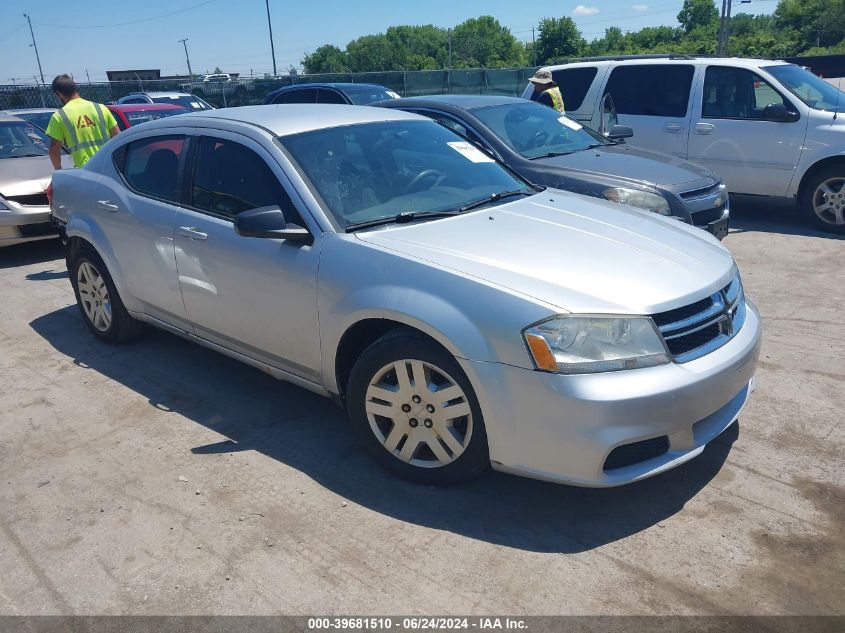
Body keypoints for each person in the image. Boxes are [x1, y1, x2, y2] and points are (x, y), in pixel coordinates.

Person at [45, 74, 119, 170]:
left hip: (85, 171)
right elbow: (117, 135)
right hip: (109, 166)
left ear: (59, 94)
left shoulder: (59, 116)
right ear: (75, 89)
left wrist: (59, 170)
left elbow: (54, 151)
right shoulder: (101, 108)